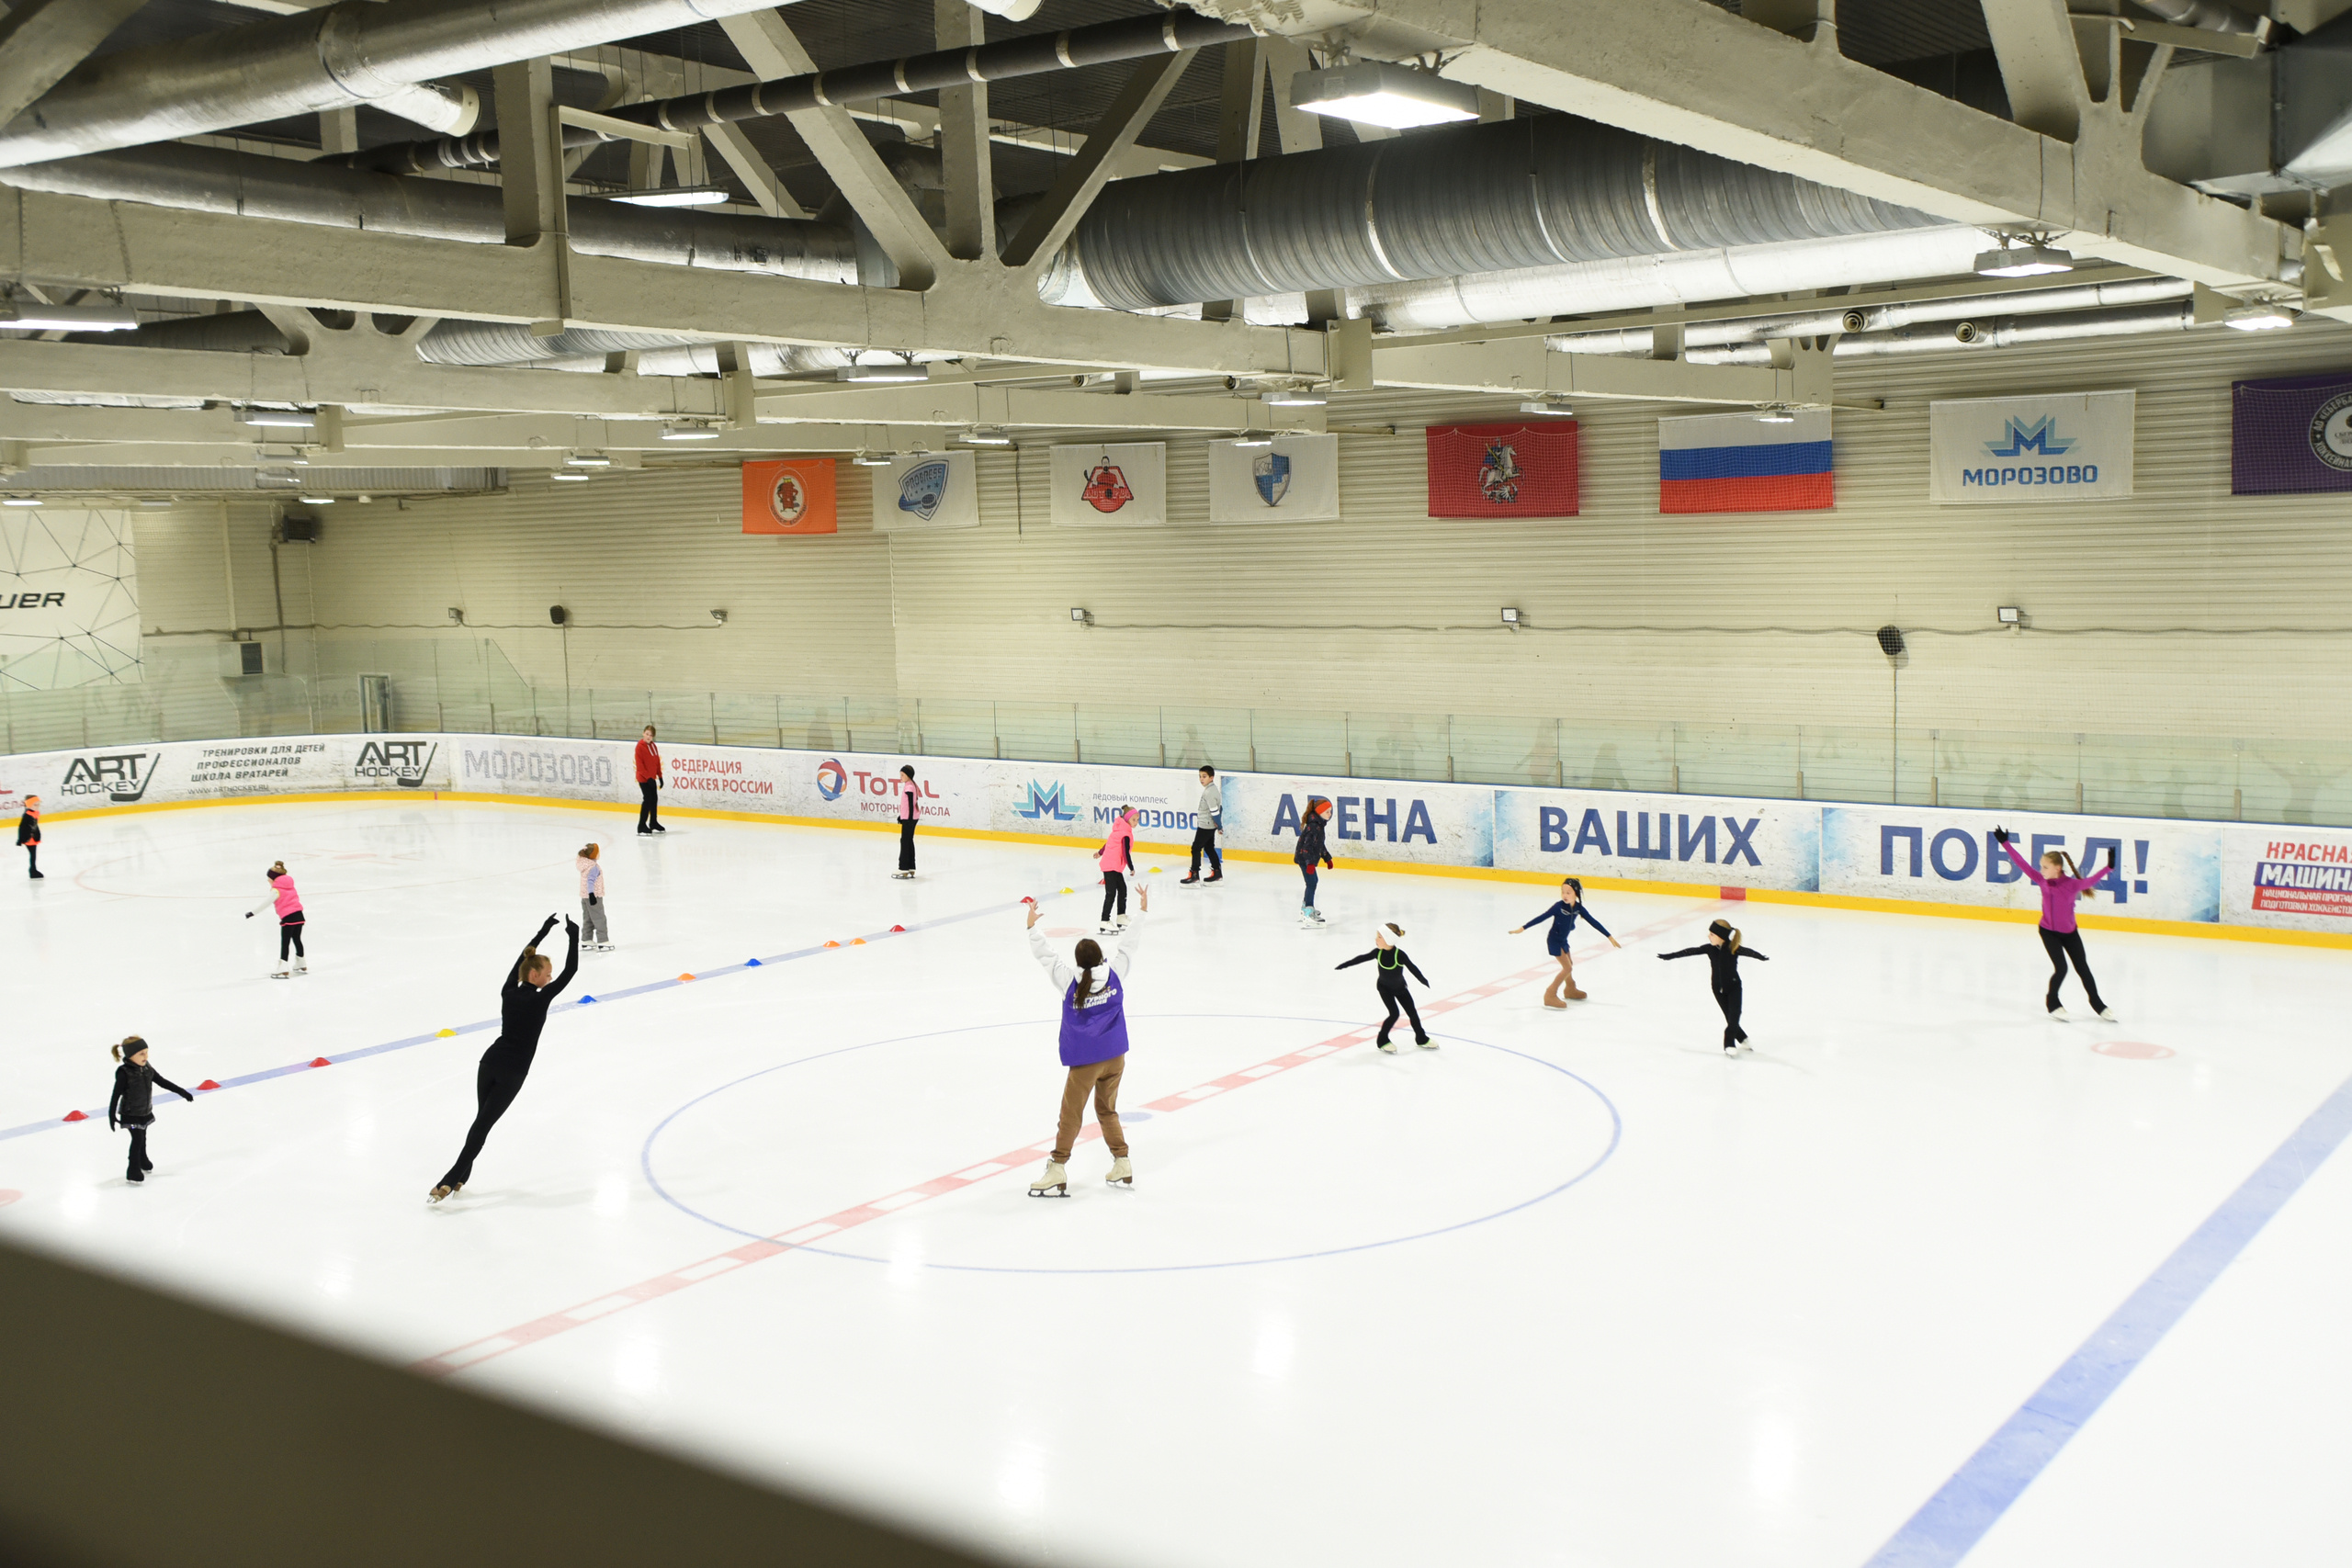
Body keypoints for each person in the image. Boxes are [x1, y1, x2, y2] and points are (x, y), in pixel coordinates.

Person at [428, 913, 580, 1204]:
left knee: (480, 1122)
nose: (550, 977)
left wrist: (542, 932)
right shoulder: (541, 997)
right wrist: (572, 937)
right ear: (535, 975)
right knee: (482, 1126)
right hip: (513, 1071)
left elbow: (521, 960)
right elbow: (571, 971)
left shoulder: (508, 990)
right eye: (547, 973)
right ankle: (448, 1179)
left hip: (490, 1062)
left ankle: (461, 1176)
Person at [1026, 883, 1148, 1196]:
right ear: (1100, 957)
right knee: (1106, 1110)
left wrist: (1032, 928)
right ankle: (1122, 1161)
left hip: (1085, 1062)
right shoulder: (1116, 973)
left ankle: (1057, 1167)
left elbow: (1047, 958)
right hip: (1115, 1057)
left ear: (1079, 962)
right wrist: (1142, 911)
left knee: (1071, 1114)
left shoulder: (1070, 981)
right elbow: (1129, 947)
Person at [1996, 829, 2120, 1021]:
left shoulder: (2072, 885)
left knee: (2083, 969)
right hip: (2048, 932)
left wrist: (2109, 867)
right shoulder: (2040, 880)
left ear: (2057, 868)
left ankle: (2098, 1005)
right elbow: (2021, 864)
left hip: (2070, 933)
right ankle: (2052, 1003)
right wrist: (2005, 843)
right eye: (2041, 866)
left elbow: (2090, 881)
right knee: (2061, 968)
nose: (2041, 870)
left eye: (2045, 867)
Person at [1658, 919, 1768, 1054]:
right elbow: (1691, 951)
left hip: (1734, 986)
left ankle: (1730, 1042)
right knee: (1729, 1016)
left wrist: (1760, 956)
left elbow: (1748, 951)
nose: (1708, 936)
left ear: (1721, 936)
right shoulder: (1709, 949)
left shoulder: (1733, 948)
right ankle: (1740, 1040)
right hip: (1718, 988)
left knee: (1735, 1015)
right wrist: (1670, 956)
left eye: (1712, 934)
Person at [1510, 878, 1621, 1008]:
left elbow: (1593, 921)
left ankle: (1570, 989)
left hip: (1563, 940)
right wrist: (1523, 928)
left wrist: (1609, 936)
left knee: (1569, 964)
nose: (1565, 895)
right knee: (1567, 968)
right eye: (1563, 892)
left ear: (1576, 894)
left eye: (1568, 892)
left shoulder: (1578, 908)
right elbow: (1542, 917)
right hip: (1554, 940)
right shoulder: (1559, 907)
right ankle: (1550, 994)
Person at [107, 1035, 194, 1185]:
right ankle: (133, 1170)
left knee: (143, 1135)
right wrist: (111, 1114)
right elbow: (115, 1095)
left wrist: (181, 1092)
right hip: (130, 1115)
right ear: (130, 1055)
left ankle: (143, 1159)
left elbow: (162, 1081)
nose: (145, 1056)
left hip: (144, 1112)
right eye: (141, 1054)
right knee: (137, 1138)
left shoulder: (147, 1068)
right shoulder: (124, 1072)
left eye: (146, 1052)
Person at [1336, 921, 1432, 1051]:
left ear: (1388, 939)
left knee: (1413, 1013)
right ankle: (1382, 1040)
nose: (1376, 939)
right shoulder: (1378, 953)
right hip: (1384, 989)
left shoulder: (1400, 955)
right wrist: (1345, 964)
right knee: (1394, 1014)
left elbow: (1412, 968)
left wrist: (1422, 979)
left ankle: (1421, 1038)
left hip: (1400, 989)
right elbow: (1361, 958)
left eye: (1379, 937)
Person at [243, 861, 306, 978]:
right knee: (297, 939)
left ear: (274, 879)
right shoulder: (290, 887)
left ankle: (283, 967)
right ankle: (301, 962)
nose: (268, 881)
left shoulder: (276, 890)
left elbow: (265, 903)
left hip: (288, 917)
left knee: (285, 942)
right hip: (299, 916)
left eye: (269, 878)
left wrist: (252, 913)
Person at [1096, 805, 1138, 932]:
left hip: (1114, 866)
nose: (1136, 823)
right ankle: (1104, 920)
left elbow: (1108, 843)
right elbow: (1126, 853)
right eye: (1134, 820)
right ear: (1127, 820)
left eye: (1137, 820)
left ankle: (1121, 916)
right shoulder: (1124, 834)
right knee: (1111, 893)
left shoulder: (1119, 830)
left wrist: (1100, 852)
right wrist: (1131, 867)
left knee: (1122, 889)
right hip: (1111, 866)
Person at [1295, 796, 1334, 927]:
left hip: (1307, 859)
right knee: (1311, 883)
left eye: (1330, 811)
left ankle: (1306, 908)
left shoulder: (1319, 825)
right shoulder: (1314, 826)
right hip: (1305, 859)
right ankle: (1307, 911)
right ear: (1320, 812)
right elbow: (1307, 847)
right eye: (1327, 811)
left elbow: (1319, 845)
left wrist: (1327, 858)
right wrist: (1310, 863)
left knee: (1312, 882)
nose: (1330, 814)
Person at [1181, 766, 1224, 885]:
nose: (1201, 779)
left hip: (1206, 825)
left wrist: (1219, 826)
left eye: (1204, 776)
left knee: (1196, 848)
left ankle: (1194, 874)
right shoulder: (1212, 789)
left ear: (1211, 777)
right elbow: (1220, 808)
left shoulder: (1209, 792)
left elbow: (1215, 811)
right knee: (1209, 848)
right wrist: (1218, 825)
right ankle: (1217, 872)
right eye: (1200, 776)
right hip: (1209, 824)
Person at [577, 842, 611, 951]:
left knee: (588, 917)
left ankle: (586, 939)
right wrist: (591, 894)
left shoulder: (584, 864)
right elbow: (590, 881)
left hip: (584, 896)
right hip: (594, 895)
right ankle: (603, 940)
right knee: (599, 917)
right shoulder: (593, 867)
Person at [634, 725, 664, 834]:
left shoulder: (653, 746)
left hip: (652, 778)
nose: (648, 737)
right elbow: (640, 765)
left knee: (654, 799)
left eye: (651, 735)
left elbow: (657, 762)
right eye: (647, 734)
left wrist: (660, 776)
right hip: (643, 779)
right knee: (647, 800)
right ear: (643, 734)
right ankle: (641, 825)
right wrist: (648, 778)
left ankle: (653, 822)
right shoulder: (639, 747)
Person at [893, 764, 920, 879]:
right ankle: (911, 866)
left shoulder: (909, 787)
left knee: (905, 841)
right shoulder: (911, 785)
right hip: (910, 816)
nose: (901, 777)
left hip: (910, 818)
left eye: (903, 775)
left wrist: (907, 818)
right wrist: (902, 816)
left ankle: (903, 867)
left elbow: (910, 804)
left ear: (908, 775)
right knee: (908, 840)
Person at [16, 792, 40, 879]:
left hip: (34, 837)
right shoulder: (27, 815)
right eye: (35, 804)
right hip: (28, 839)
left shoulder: (35, 813)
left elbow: (35, 825)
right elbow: (21, 828)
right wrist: (20, 839)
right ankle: (32, 871)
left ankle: (33, 869)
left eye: (38, 804)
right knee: (33, 855)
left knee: (33, 855)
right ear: (29, 805)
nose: (37, 806)